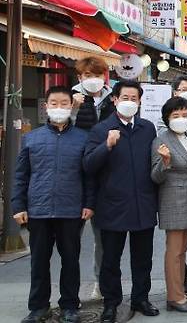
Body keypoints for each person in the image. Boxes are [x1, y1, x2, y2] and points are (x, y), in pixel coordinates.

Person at [12, 86, 94, 323]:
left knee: (70, 260)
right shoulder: (31, 138)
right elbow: (20, 176)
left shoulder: (82, 138)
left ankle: (69, 305)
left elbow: (89, 176)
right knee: (39, 261)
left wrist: (89, 203)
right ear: (46, 106)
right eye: (54, 103)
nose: (59, 108)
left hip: (71, 209)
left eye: (64, 103)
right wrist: (18, 206)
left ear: (71, 106)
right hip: (38, 209)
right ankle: (38, 307)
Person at [83, 81, 159, 323]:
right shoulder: (101, 129)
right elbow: (88, 166)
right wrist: (106, 145)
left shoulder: (148, 129)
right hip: (112, 206)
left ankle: (140, 298)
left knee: (143, 258)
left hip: (143, 204)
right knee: (110, 260)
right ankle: (111, 302)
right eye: (124, 97)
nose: (129, 102)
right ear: (114, 100)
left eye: (133, 98)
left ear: (139, 102)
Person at [151, 97, 187, 313]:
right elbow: (155, 177)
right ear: (167, 118)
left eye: (185, 115)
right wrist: (165, 162)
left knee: (183, 251)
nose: (181, 119)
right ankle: (174, 297)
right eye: (176, 116)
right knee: (174, 252)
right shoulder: (161, 140)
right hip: (172, 202)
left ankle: (180, 293)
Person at [70, 56, 114, 301]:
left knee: (103, 238)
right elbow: (56, 126)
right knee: (70, 239)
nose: (92, 80)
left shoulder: (114, 99)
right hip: (76, 175)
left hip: (105, 173)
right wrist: (73, 109)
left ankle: (101, 284)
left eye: (97, 75)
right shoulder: (69, 97)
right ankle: (70, 290)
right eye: (87, 75)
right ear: (80, 77)